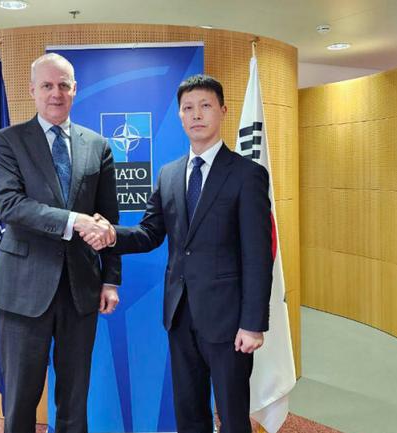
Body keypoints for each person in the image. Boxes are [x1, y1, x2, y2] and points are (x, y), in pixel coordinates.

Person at [79, 75, 273, 433]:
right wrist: (110, 234)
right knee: (189, 413)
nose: (196, 114)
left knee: (232, 417)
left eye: (205, 106)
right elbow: (149, 233)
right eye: (188, 108)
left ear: (223, 111)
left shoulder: (247, 175)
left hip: (230, 321)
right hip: (180, 315)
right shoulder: (169, 175)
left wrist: (253, 323)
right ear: (180, 116)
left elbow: (258, 255)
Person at [0, 53, 121, 433]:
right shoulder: (7, 141)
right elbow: (10, 205)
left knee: (75, 398)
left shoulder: (98, 145)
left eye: (63, 85)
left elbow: (108, 220)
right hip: (22, 289)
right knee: (20, 399)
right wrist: (72, 220)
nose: (55, 93)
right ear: (32, 90)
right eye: (47, 85)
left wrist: (110, 279)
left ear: (75, 89)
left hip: (81, 289)